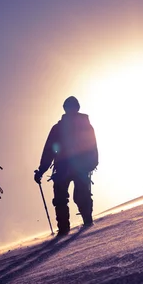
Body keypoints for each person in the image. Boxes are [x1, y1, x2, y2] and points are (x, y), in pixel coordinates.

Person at [34, 96, 98, 235]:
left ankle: (65, 229)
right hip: (80, 167)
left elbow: (49, 150)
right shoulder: (84, 125)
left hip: (64, 168)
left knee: (62, 198)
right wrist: (92, 162)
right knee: (79, 195)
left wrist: (41, 170)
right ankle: (86, 221)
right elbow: (92, 146)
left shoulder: (58, 128)